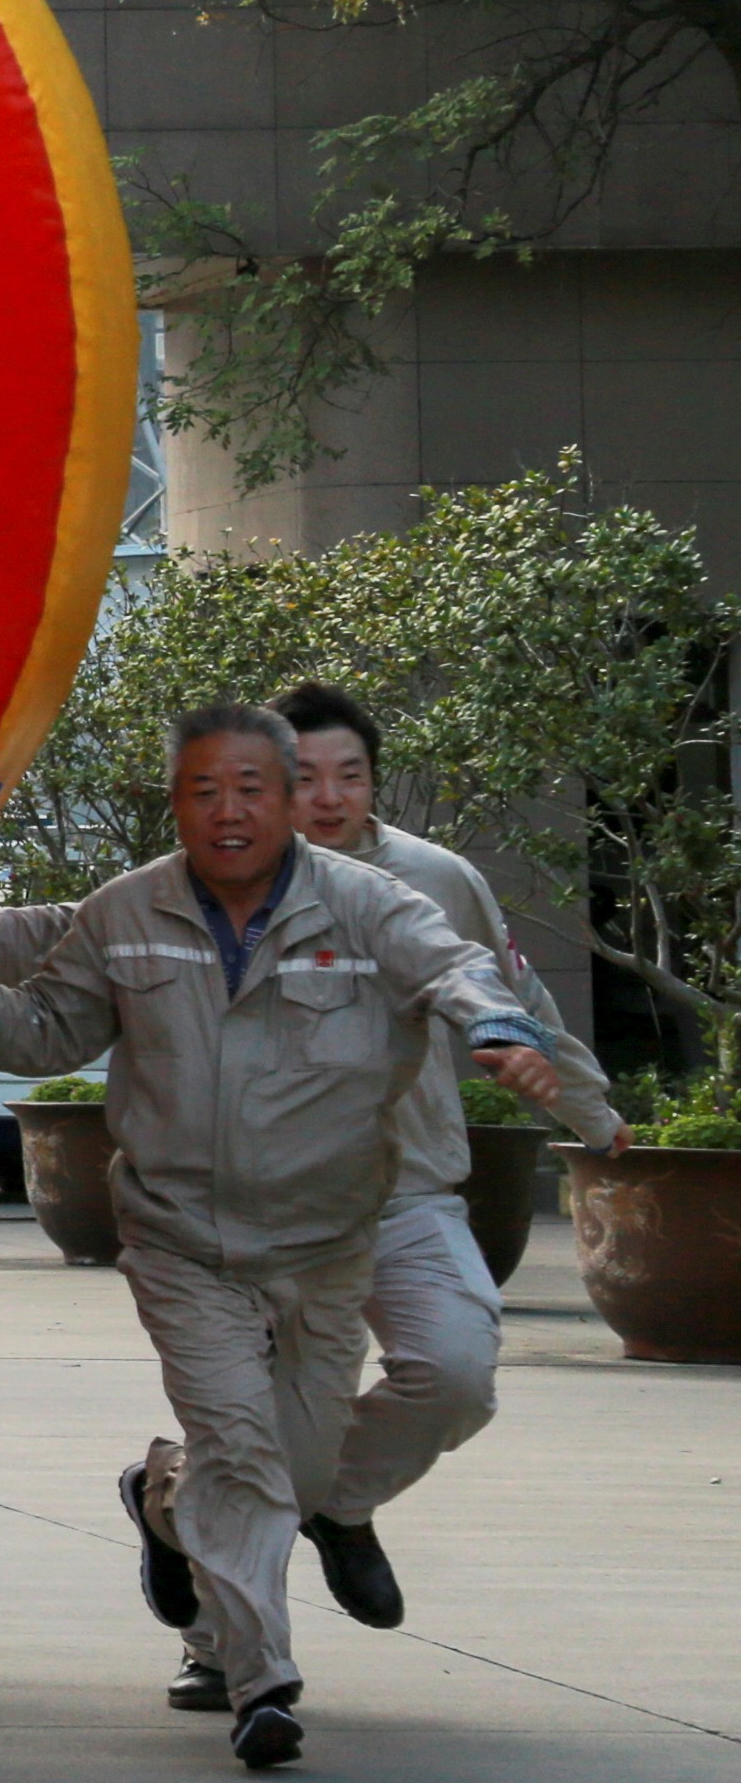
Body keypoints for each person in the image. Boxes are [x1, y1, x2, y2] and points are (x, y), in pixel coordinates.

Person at [0, 707, 581, 1772]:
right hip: (183, 1239)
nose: (229, 812)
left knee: (300, 1469)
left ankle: (164, 1499)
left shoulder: (375, 904)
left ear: (290, 801)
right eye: (201, 791)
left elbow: (458, 970)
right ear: (174, 802)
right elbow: (49, 1024)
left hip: (330, 1239)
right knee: (244, 1450)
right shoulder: (127, 912)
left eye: (252, 790)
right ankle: (258, 1678)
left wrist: (499, 1033)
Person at [273, 681, 612, 1638]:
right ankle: (223, 1652)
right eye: (305, 779)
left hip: (408, 1185)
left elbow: (516, 998)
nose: (331, 797)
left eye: (352, 775)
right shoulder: (221, 884)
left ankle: (331, 1504)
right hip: (267, 1203)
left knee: (455, 1373)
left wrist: (591, 1111)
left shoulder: (436, 877)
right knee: (265, 1418)